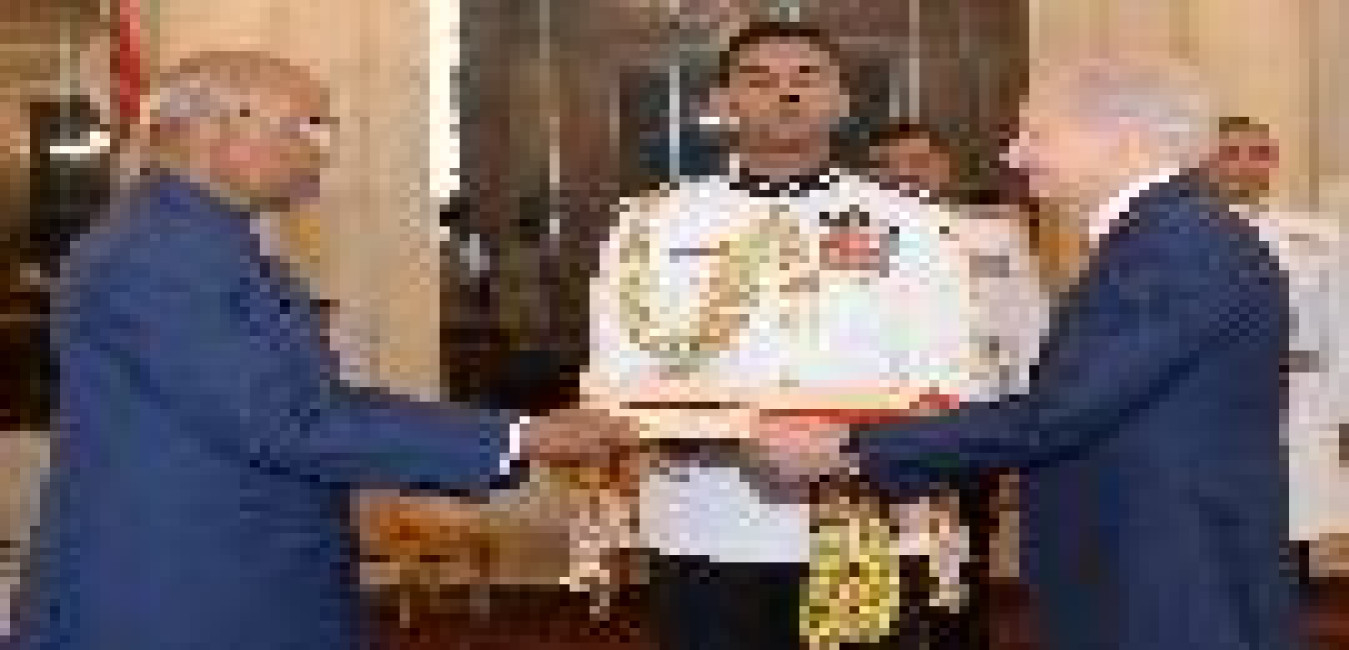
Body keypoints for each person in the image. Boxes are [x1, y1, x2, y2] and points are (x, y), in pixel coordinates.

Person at [11, 51, 635, 650]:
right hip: (182, 601)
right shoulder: (154, 254)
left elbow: (309, 403)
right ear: (216, 128)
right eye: (310, 125)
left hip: (237, 585)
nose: (324, 149)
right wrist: (523, 437)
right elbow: (284, 419)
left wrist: (520, 434)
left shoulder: (204, 241)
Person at [759, 57, 1300, 650]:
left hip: (1171, 580)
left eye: (1036, 135)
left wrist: (850, 446)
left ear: (1121, 140)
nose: (1014, 156)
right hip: (1148, 566)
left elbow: (1061, 412)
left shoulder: (1179, 243)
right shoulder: (1165, 236)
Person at [584, 23, 981, 650]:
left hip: (864, 517)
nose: (786, 94)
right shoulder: (650, 226)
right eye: (760, 79)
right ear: (722, 104)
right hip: (707, 520)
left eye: (807, 78)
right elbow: (620, 378)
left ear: (842, 101)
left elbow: (949, 377)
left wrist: (853, 451)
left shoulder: (913, 224)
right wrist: (724, 435)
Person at [866, 120, 1051, 647]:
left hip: (975, 419)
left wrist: (1028, 429)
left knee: (964, 557)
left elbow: (1028, 329)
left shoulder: (994, 234)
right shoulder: (850, 235)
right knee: (883, 563)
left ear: (942, 167)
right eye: (888, 167)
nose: (905, 175)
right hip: (882, 424)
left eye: (918, 161)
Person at [1204, 115, 1347, 581]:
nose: (1246, 165)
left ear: (1274, 163)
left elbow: (1341, 326)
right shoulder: (1183, 236)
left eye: (1259, 154)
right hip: (1213, 402)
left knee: (1291, 532)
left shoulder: (1319, 235)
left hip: (1301, 399)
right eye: (1231, 153)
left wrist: (1344, 412)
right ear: (1206, 162)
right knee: (1218, 541)